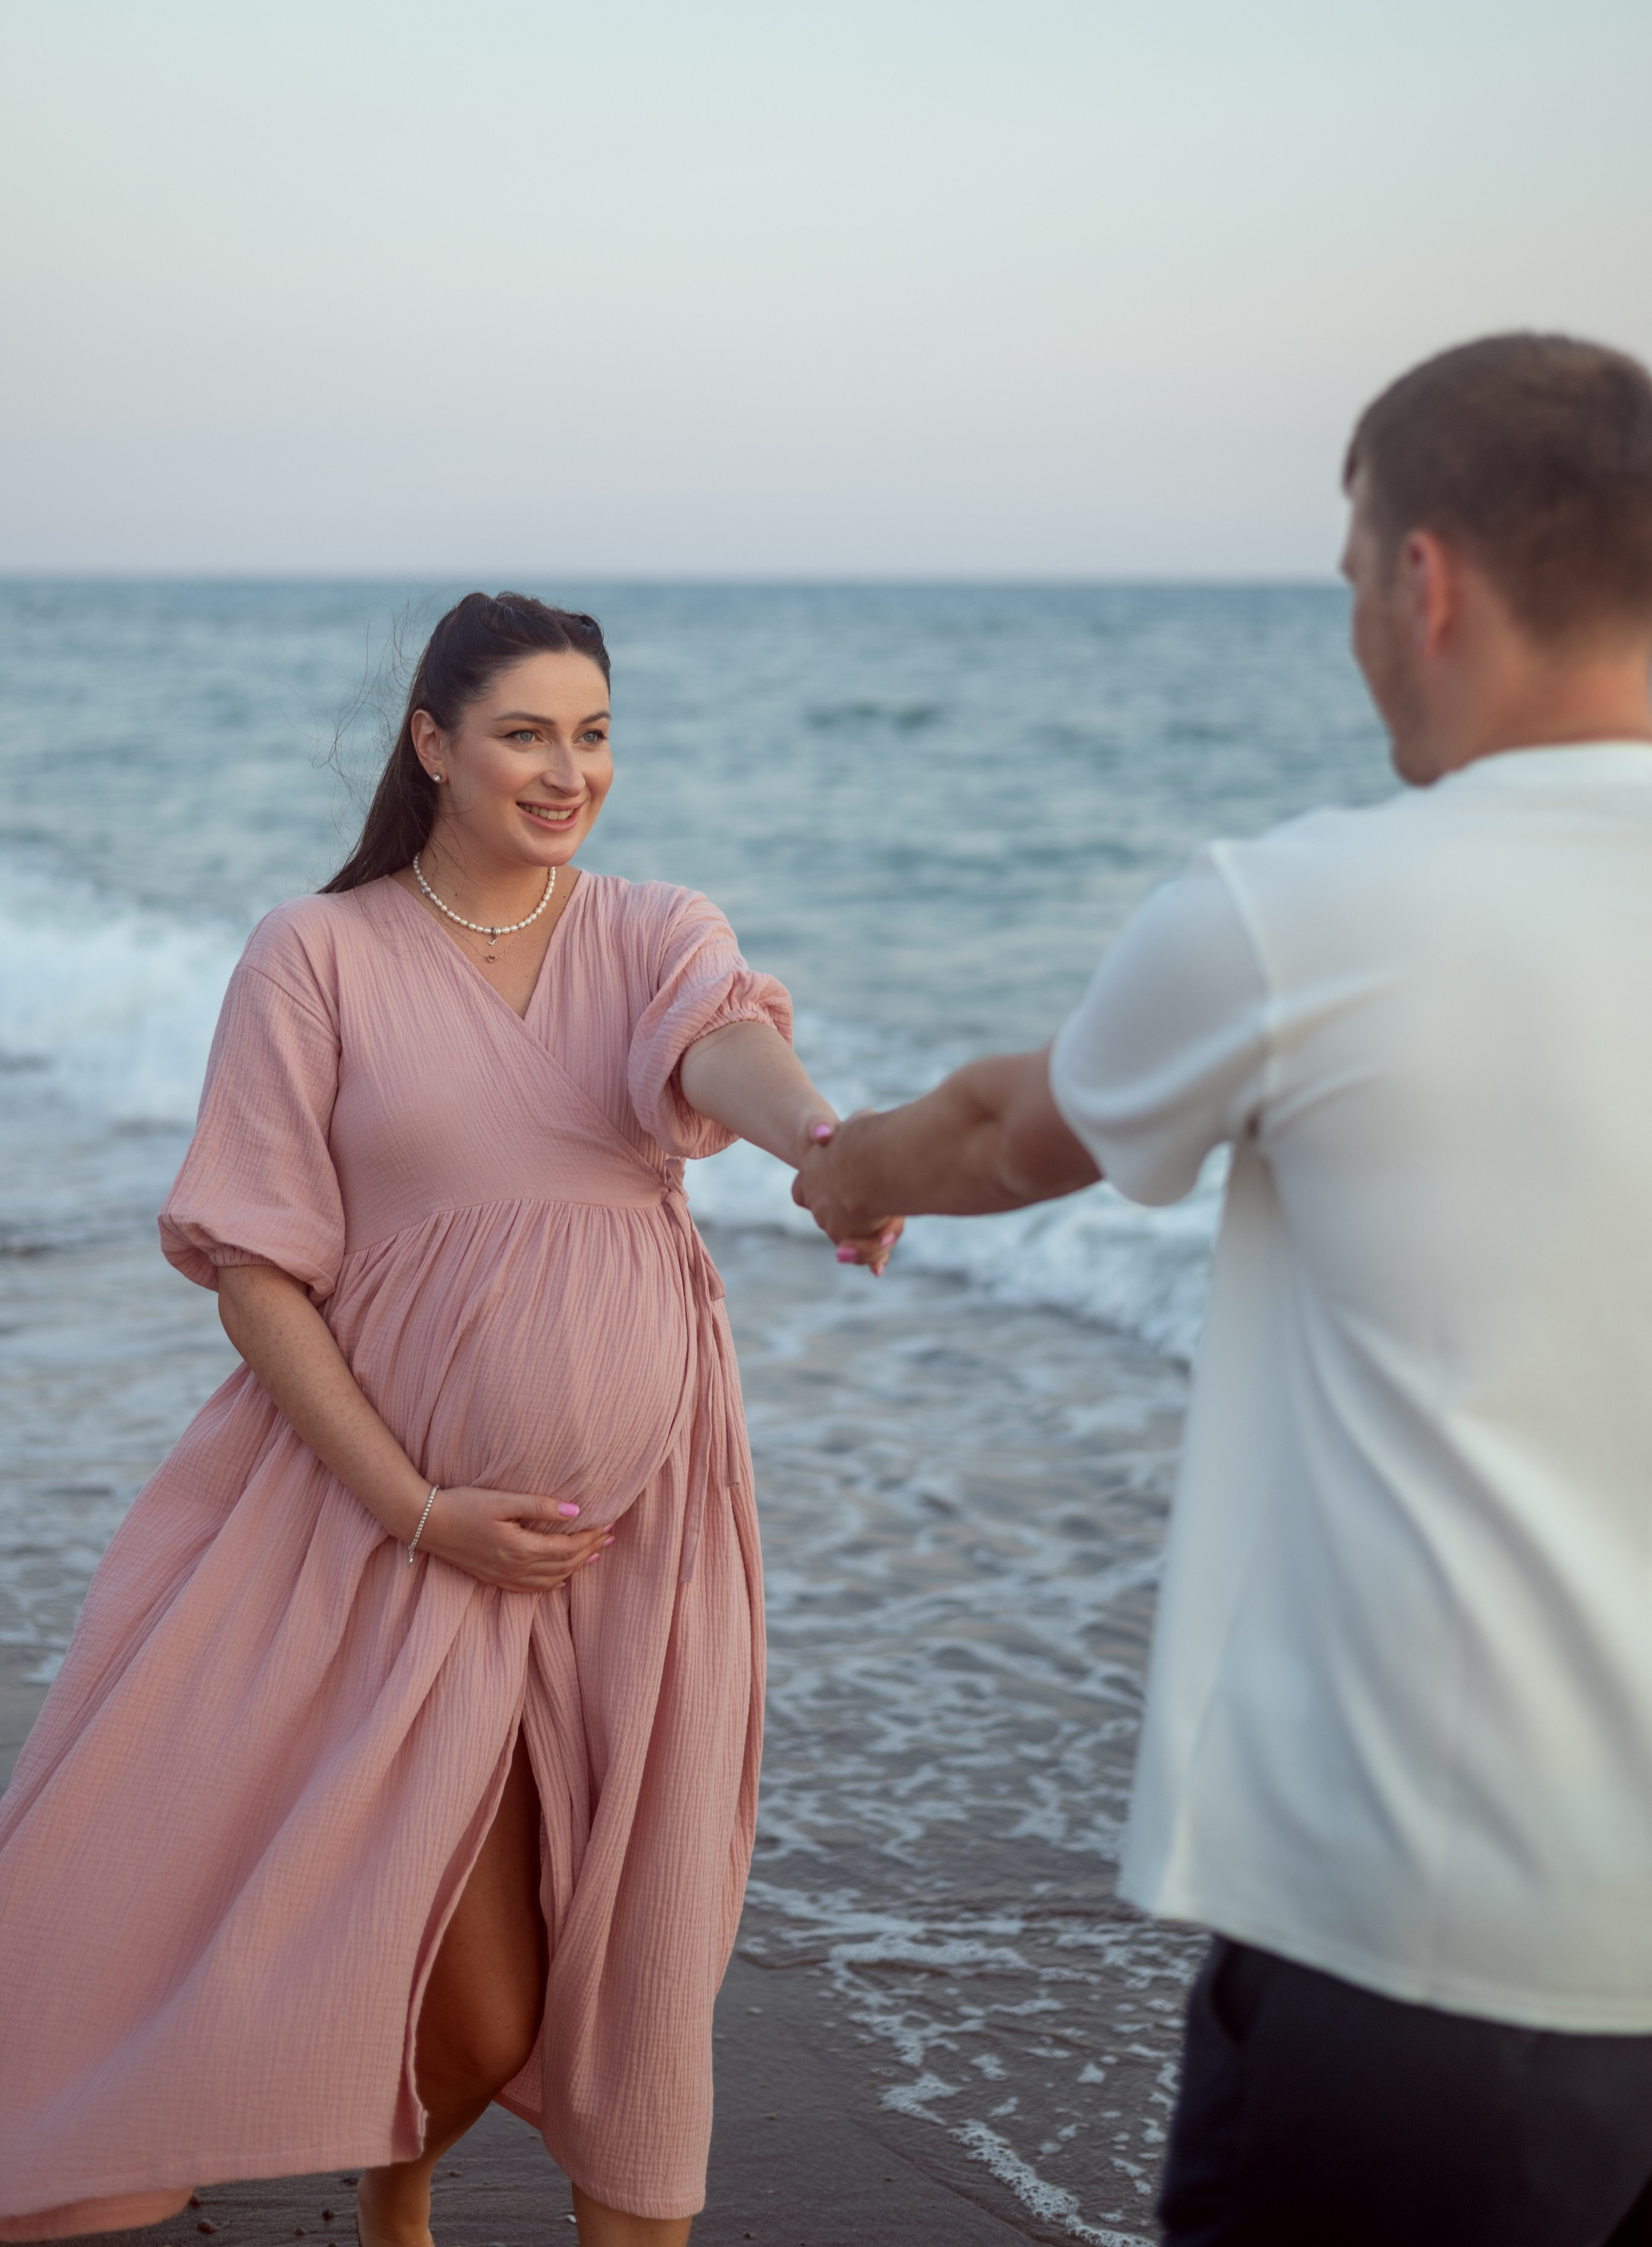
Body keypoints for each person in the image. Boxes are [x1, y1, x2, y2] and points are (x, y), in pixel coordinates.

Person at [792, 334, 1652, 2246]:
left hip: (1434, 1964)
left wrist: (845, 1169)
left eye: (1352, 580)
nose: (1357, 631)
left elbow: (1023, 1128)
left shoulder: (1305, 909)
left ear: (1423, 580)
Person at [0, 592, 897, 2247]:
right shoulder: (315, 953)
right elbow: (259, 1272)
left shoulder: (647, 925)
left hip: (646, 1540)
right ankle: (391, 2183)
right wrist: (419, 1507)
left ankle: (443, 2197)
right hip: (399, 1533)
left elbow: (723, 1047)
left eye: (596, 732)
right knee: (470, 2006)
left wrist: (822, 1144)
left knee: (635, 1954)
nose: (570, 770)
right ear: (432, 742)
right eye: (526, 733)